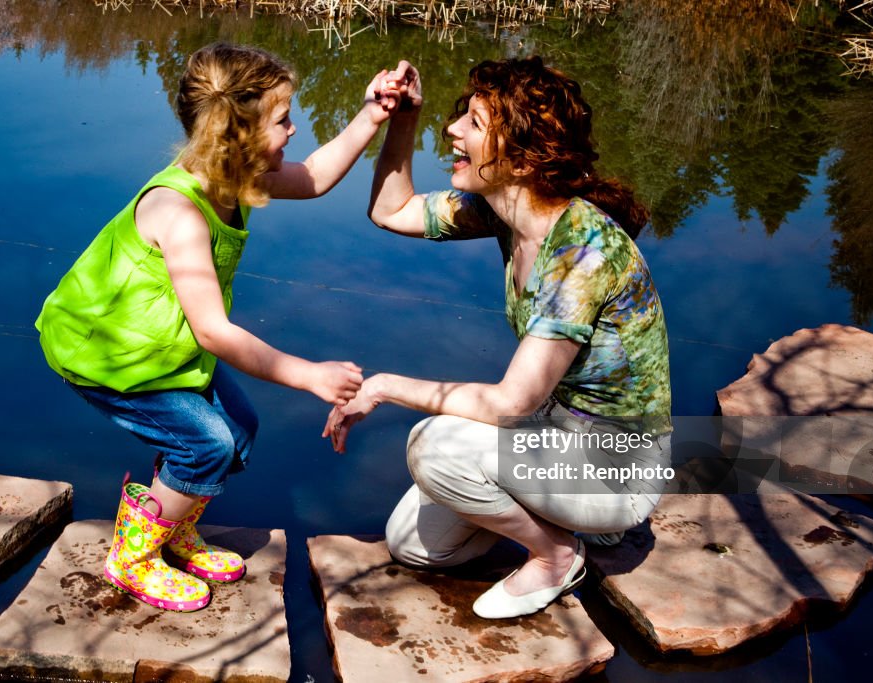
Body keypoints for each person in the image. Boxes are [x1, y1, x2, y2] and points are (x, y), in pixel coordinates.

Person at [36, 43, 402, 612]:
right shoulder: (179, 211)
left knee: (240, 426)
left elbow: (315, 178)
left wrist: (372, 115)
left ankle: (172, 530)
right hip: (110, 355)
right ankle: (131, 559)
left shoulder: (235, 175)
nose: (294, 129)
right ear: (238, 134)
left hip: (164, 346)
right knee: (206, 443)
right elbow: (213, 331)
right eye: (283, 120)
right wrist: (307, 374)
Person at [323, 57, 672, 619]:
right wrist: (402, 120)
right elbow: (392, 210)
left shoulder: (581, 253)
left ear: (524, 155)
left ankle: (558, 553)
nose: (454, 129)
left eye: (476, 123)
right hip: (555, 436)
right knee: (413, 546)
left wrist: (383, 385)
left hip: (617, 468)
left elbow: (513, 402)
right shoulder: (504, 211)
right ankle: (556, 520)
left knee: (434, 448)